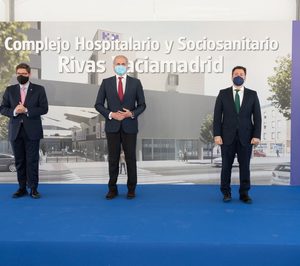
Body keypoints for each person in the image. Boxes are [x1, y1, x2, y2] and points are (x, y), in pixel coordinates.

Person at [95, 55, 146, 199]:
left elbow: (142, 105)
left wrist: (131, 113)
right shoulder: (106, 83)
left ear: (127, 66)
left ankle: (131, 189)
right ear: (113, 66)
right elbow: (98, 104)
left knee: (130, 159)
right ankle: (112, 189)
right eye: (118, 63)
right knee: (113, 159)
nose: (121, 65)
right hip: (112, 127)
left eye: (123, 63)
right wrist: (111, 114)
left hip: (130, 127)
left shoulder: (136, 83)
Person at [213, 66, 261, 204]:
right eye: (236, 74)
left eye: (241, 74)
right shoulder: (223, 94)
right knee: (226, 167)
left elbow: (257, 117)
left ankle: (244, 193)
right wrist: (217, 134)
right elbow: (217, 116)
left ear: (245, 77)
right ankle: (226, 193)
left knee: (245, 166)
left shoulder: (253, 94)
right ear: (231, 76)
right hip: (226, 136)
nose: (238, 76)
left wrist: (256, 135)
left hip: (246, 137)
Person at [0, 63, 48, 199]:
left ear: (29, 74)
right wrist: (15, 111)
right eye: (19, 74)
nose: (21, 76)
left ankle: (33, 189)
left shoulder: (39, 89)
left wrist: (26, 110)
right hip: (16, 131)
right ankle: (21, 188)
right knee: (20, 161)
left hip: (32, 130)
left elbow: (44, 108)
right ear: (16, 74)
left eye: (24, 74)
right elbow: (3, 108)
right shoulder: (10, 90)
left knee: (32, 161)